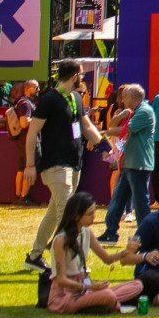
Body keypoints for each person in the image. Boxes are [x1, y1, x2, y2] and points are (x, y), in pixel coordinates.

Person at [25, 59, 103, 271]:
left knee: (55, 212)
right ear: (73, 76)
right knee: (68, 214)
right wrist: (30, 165)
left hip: (74, 162)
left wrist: (105, 147)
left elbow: (86, 126)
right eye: (81, 74)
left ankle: (34, 256)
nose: (83, 78)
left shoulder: (75, 97)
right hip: (55, 164)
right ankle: (71, 265)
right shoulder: (49, 99)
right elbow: (32, 133)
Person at [45, 191, 144, 314]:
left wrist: (126, 252)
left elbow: (107, 259)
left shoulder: (86, 232)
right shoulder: (61, 240)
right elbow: (61, 280)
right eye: (90, 214)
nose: (94, 217)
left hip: (86, 290)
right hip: (66, 296)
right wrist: (89, 287)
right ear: (76, 216)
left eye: (94, 212)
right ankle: (108, 302)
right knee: (108, 296)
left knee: (137, 285)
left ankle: (103, 302)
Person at [100, 84, 155, 245]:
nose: (121, 100)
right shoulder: (133, 111)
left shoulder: (144, 111)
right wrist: (122, 114)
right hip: (130, 162)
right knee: (118, 199)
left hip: (139, 163)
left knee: (140, 202)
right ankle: (110, 233)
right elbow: (113, 124)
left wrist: (104, 133)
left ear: (133, 97)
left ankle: (146, 236)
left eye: (124, 97)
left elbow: (124, 130)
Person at [4, 79, 38, 203]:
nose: (38, 89)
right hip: (28, 139)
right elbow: (24, 123)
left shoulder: (20, 102)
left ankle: (18, 195)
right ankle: (23, 197)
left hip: (22, 140)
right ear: (27, 88)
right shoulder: (26, 104)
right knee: (29, 167)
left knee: (21, 168)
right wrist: (38, 118)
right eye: (35, 87)